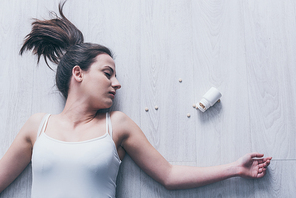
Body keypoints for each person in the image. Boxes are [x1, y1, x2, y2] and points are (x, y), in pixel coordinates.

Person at [0, 2, 272, 198]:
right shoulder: (37, 126)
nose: (117, 83)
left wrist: (235, 168)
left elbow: (169, 176)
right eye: (108, 73)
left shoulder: (117, 125)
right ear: (78, 73)